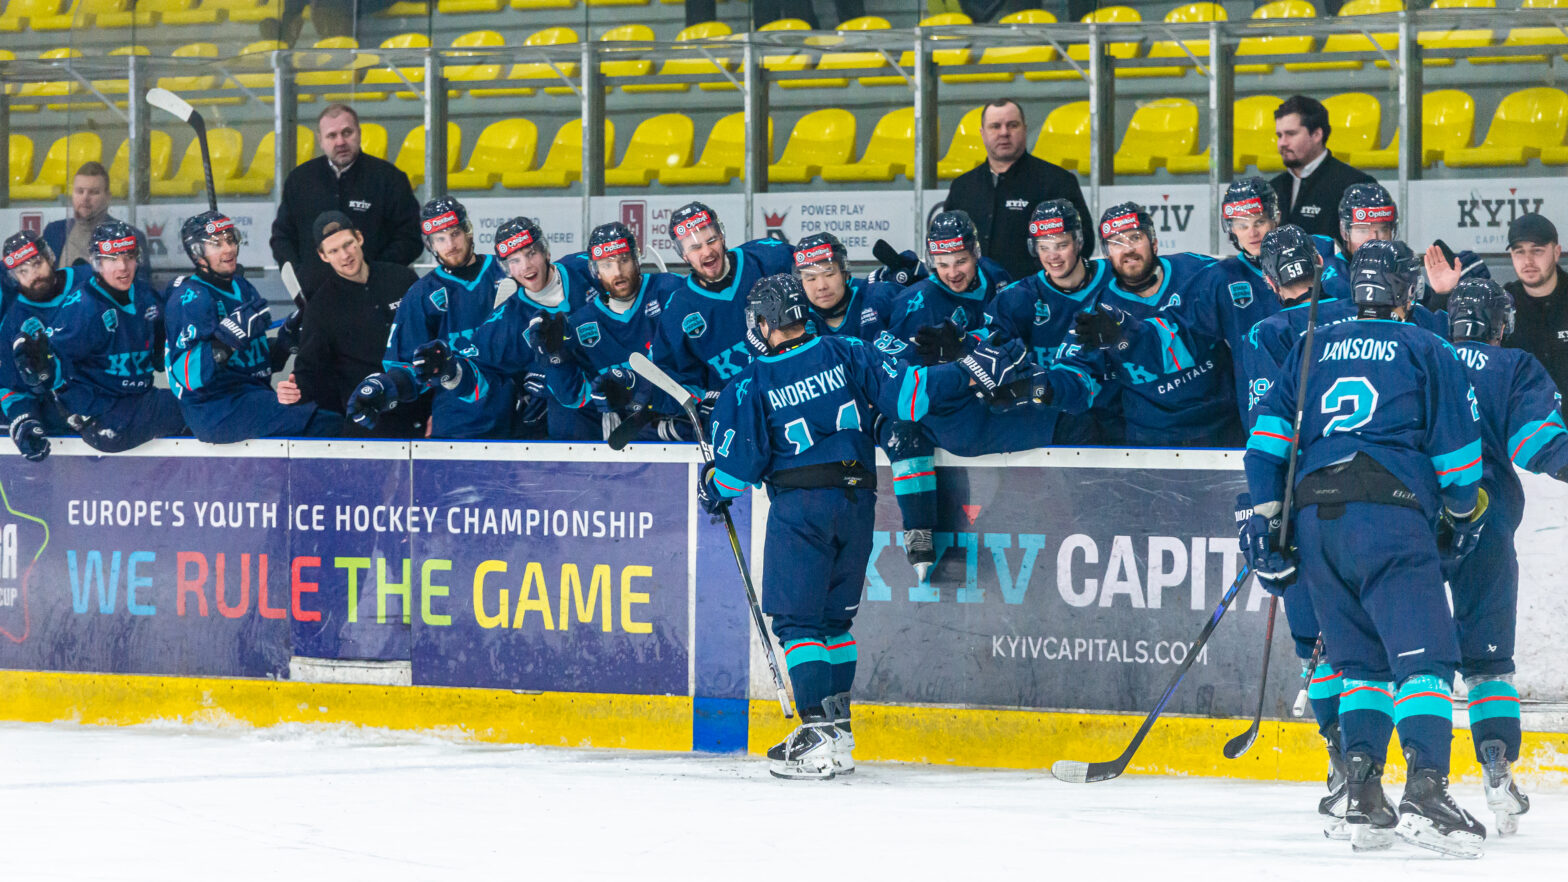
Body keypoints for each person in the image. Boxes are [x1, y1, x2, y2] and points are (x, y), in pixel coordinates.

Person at [696, 273, 1014, 779]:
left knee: (799, 625)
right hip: (858, 501)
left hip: (801, 507)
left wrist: (711, 484)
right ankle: (839, 733)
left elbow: (737, 472)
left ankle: (815, 734)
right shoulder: (849, 350)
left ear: (763, 323)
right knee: (834, 625)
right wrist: (967, 371)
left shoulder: (751, 382)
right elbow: (909, 398)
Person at [1242, 240, 1489, 858]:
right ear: (1407, 291)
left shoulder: (1310, 344)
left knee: (1360, 663)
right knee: (1425, 657)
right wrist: (1461, 514)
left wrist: (1268, 521)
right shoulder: (1426, 346)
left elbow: (1267, 444)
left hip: (1317, 519)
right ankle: (1427, 792)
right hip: (1389, 511)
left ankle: (1362, 793)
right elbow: (1459, 458)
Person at [1444, 277, 1568, 838]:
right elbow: (1537, 445)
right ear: (1500, 325)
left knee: (1404, 656)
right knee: (1488, 660)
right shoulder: (1512, 365)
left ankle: (1367, 774)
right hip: (1484, 521)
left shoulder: (1421, 352)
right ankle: (1496, 770)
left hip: (1408, 517)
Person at [1065, 203, 1236, 447]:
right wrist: (1042, 388)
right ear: (1107, 254)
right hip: (1152, 437)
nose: (1128, 249)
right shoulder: (1097, 310)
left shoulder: (1198, 271)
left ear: (1154, 243)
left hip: (1222, 425)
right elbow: (1074, 371)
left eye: (1135, 238)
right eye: (1116, 242)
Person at [165, 210, 342, 442]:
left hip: (250, 396)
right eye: (216, 244)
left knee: (331, 404)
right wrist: (226, 341)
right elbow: (188, 376)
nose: (228, 249)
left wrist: (285, 341)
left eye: (230, 240)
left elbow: (254, 364)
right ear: (197, 253)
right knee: (329, 425)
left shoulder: (242, 286)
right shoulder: (191, 299)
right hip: (217, 409)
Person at [19, 222, 187, 455]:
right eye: (112, 259)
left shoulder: (144, 295)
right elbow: (51, 371)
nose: (123, 267)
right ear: (97, 263)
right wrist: (41, 368)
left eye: (129, 257)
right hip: (104, 415)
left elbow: (160, 357)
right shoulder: (83, 307)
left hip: (137, 401)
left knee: (197, 404)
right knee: (195, 410)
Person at [529, 222, 687, 442]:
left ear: (636, 259)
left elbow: (696, 362)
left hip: (679, 413)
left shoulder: (670, 290)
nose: (618, 272)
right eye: (607, 265)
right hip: (627, 430)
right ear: (595, 271)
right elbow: (573, 398)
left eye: (624, 260)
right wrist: (554, 359)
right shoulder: (582, 323)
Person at [276, 211, 424, 438]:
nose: (345, 255)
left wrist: (438, 410)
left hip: (422, 409)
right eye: (334, 251)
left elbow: (434, 338)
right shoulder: (321, 307)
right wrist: (293, 392)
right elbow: (310, 373)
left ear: (359, 238)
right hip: (371, 423)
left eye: (348, 244)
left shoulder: (403, 279)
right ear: (323, 256)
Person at [375, 197, 510, 439]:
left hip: (515, 412)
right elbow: (405, 365)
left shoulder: (507, 272)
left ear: (468, 231)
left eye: (455, 233)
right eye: (440, 238)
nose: (450, 244)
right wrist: (383, 387)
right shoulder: (421, 294)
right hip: (458, 420)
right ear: (430, 245)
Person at [269, 104, 421, 295]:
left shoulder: (389, 178)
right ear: (320, 140)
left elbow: (410, 238)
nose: (340, 142)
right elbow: (282, 237)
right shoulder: (299, 179)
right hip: (317, 296)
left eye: (347, 132)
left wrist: (372, 272)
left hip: (378, 294)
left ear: (359, 133)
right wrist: (300, 276)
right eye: (331, 135)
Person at [649, 201, 795, 399]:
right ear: (683, 255)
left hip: (797, 386)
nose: (707, 252)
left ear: (722, 236)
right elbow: (677, 376)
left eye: (711, 241)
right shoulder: (677, 311)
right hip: (740, 408)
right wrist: (703, 401)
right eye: (695, 247)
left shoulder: (770, 257)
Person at [945, 99, 1093, 282]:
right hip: (976, 295)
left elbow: (1083, 242)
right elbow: (946, 249)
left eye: (1012, 125)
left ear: (1024, 129)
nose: (1004, 133)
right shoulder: (962, 187)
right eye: (995, 126)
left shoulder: (1057, 181)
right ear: (982, 133)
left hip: (1037, 294)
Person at [2, 231, 86, 460]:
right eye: (23, 272)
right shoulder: (14, 321)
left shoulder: (87, 280)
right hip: (63, 418)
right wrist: (25, 419)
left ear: (49, 257)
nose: (34, 275)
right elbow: (10, 386)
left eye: (37, 264)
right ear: (14, 278)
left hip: (110, 399)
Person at [1271, 95, 1377, 249]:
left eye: (1291, 134)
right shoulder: (1273, 188)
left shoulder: (1356, 185)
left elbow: (1368, 251)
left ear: (1316, 135)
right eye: (1279, 135)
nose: (1282, 143)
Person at [41, 162, 150, 285]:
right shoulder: (54, 231)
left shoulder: (130, 236)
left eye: (93, 192)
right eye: (80, 191)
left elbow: (142, 288)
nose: (85, 198)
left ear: (108, 197)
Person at [1502, 213, 1568, 394]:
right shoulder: (1500, 306)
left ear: (1556, 252)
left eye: (1537, 250)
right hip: (1524, 412)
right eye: (1519, 251)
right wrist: (1443, 294)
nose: (1528, 261)